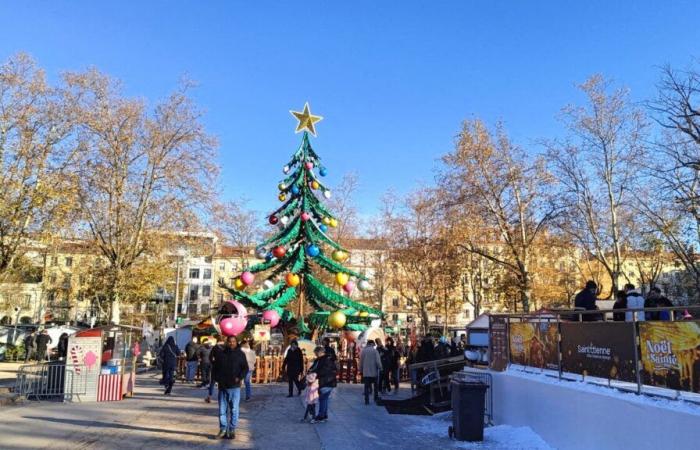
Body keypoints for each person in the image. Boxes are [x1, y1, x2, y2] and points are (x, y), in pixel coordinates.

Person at [212, 336, 249, 440]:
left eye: (234, 341)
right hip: (223, 387)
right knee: (222, 410)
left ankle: (232, 429)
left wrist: (239, 377)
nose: (232, 343)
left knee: (234, 409)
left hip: (234, 387)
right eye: (230, 341)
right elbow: (215, 368)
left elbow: (245, 368)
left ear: (236, 342)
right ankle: (223, 429)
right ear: (227, 342)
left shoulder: (240, 354)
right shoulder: (221, 354)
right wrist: (217, 379)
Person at [309, 346, 337, 423]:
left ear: (320, 352)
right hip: (327, 382)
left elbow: (324, 371)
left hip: (326, 382)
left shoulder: (325, 360)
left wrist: (316, 373)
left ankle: (321, 416)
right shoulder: (323, 359)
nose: (315, 355)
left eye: (316, 353)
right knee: (324, 399)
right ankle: (324, 415)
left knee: (323, 399)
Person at [359, 340, 382, 404]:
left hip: (366, 372)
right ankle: (375, 398)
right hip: (374, 372)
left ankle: (366, 400)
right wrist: (380, 368)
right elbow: (378, 361)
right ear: (372, 344)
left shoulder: (363, 351)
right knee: (375, 386)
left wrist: (360, 370)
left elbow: (361, 362)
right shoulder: (375, 351)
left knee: (366, 387)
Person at [206, 336, 225, 403]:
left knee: (212, 382)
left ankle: (209, 396)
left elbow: (210, 357)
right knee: (222, 383)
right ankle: (222, 397)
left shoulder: (215, 347)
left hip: (216, 367)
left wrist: (213, 363)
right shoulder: (226, 347)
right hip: (224, 368)